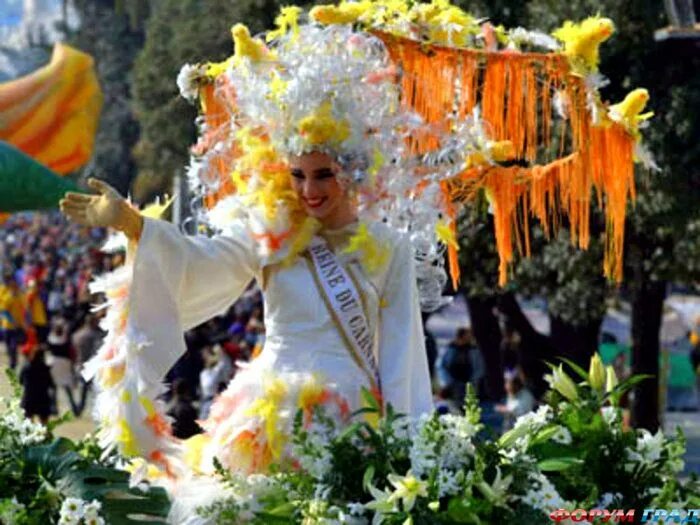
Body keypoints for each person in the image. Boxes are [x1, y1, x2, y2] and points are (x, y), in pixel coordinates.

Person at [59, 12, 491, 489]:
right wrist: (131, 222)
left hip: (355, 421)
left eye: (324, 174)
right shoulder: (272, 231)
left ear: (353, 173)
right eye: (298, 174)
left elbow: (402, 355)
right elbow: (202, 265)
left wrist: (407, 452)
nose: (309, 190)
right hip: (268, 417)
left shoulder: (389, 248)